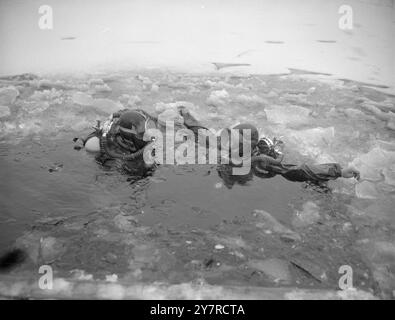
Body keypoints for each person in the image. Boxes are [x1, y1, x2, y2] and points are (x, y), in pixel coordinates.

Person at [78, 106, 360, 185]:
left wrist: (337, 170)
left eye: (234, 136)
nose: (227, 136)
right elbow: (203, 133)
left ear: (246, 144)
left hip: (241, 175)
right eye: (228, 132)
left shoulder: (258, 161)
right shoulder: (221, 143)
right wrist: (188, 117)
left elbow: (297, 170)